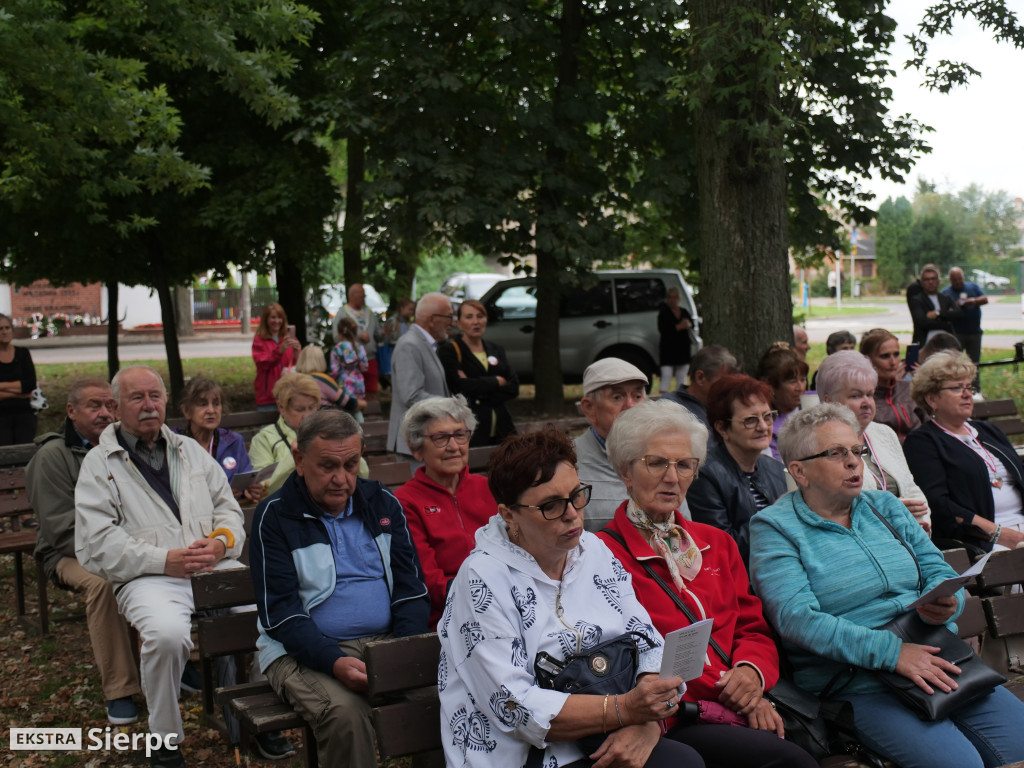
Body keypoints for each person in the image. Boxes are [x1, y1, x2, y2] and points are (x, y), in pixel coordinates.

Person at [749, 403, 1024, 768]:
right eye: (836, 453)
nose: (853, 462)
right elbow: (797, 619)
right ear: (799, 471)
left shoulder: (883, 506)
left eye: (856, 451)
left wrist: (948, 601)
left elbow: (936, 569)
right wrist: (892, 653)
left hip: (937, 661)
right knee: (959, 764)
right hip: (857, 683)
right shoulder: (775, 527)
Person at [439, 427, 704, 768]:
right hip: (525, 756)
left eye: (577, 495)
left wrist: (646, 720)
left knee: (686, 762)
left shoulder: (593, 549)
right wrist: (625, 711)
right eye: (551, 505)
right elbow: (514, 706)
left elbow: (646, 640)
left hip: (600, 735)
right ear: (509, 515)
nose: (572, 513)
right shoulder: (483, 578)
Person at [599, 400, 817, 768]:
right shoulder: (602, 554)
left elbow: (754, 626)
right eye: (656, 463)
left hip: (732, 702)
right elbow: (624, 656)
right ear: (625, 471)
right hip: (674, 715)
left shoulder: (716, 542)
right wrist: (738, 697)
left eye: (684, 464)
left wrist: (751, 673)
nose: (673, 477)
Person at [75, 366, 246, 768]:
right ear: (116, 407)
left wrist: (221, 542)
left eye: (155, 396)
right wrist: (161, 560)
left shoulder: (190, 451)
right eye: (138, 398)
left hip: (210, 566)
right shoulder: (99, 465)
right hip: (147, 577)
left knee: (264, 618)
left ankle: (252, 718)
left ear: (166, 402)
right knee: (167, 636)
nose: (149, 405)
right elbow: (95, 544)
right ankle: (165, 741)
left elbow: (230, 510)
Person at [250, 409, 429, 768]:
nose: (341, 479)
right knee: (345, 715)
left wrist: (401, 651)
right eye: (328, 466)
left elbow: (411, 589)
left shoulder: (381, 503)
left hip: (385, 640)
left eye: (350, 464)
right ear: (299, 460)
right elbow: (282, 613)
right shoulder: (276, 516)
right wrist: (333, 661)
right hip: (303, 651)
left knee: (445, 697)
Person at [27, 377, 142, 725]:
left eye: (110, 405)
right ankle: (120, 689)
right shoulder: (52, 457)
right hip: (67, 553)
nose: (106, 413)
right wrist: (120, 554)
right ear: (71, 411)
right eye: (95, 406)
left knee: (165, 568)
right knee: (105, 585)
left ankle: (178, 664)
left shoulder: (127, 446)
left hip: (125, 545)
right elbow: (60, 529)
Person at [904, 352, 1024, 553]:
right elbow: (940, 506)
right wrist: (1001, 534)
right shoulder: (924, 442)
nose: (967, 394)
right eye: (957, 388)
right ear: (932, 398)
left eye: (969, 387)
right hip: (985, 540)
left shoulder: (988, 431)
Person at [393, 395, 496, 626]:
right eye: (440, 438)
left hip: (505, 602)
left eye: (460, 435)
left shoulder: (489, 488)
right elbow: (427, 579)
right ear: (416, 449)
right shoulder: (405, 502)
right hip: (450, 616)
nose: (454, 447)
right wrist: (485, 597)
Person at [814, 351, 931, 532]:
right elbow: (832, 508)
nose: (867, 402)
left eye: (870, 394)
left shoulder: (883, 433)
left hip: (907, 538)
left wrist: (921, 524)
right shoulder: (820, 445)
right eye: (856, 396)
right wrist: (890, 512)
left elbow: (911, 488)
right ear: (829, 401)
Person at [686, 375, 786, 565]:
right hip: (741, 581)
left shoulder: (775, 468)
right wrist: (774, 515)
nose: (763, 426)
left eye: (768, 416)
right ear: (722, 428)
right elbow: (722, 548)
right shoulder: (704, 476)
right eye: (750, 420)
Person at [575, 358, 654, 532]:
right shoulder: (568, 462)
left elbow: (684, 527)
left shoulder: (663, 456)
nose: (630, 406)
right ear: (589, 408)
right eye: (617, 397)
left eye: (638, 396)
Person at [436, 298, 519, 447]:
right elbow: (459, 387)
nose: (476, 322)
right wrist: (496, 381)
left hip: (503, 429)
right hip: (472, 431)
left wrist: (479, 390)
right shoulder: (450, 351)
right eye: (469, 317)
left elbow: (514, 387)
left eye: (480, 316)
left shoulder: (496, 349)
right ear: (459, 323)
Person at [177, 377, 265, 505]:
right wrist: (221, 495)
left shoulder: (234, 441)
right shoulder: (175, 443)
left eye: (216, 404)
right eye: (203, 404)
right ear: (186, 411)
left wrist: (251, 490)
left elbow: (246, 481)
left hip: (231, 516)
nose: (211, 410)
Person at [387, 292, 454, 457]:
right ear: (432, 319)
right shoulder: (409, 345)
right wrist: (452, 406)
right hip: (414, 444)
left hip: (426, 440)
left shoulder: (423, 343)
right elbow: (411, 395)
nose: (452, 323)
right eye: (449, 317)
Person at [249, 373, 321, 495]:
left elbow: (361, 473)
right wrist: (297, 453)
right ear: (281, 408)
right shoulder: (264, 439)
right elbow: (264, 487)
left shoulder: (325, 432)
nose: (307, 415)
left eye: (312, 408)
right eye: (300, 409)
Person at [859, 328, 922, 442]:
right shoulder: (861, 397)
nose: (893, 362)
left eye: (896, 354)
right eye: (885, 356)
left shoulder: (910, 388)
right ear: (867, 360)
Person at [661, 345, 738, 430]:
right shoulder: (670, 408)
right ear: (700, 378)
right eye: (724, 382)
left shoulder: (726, 406)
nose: (729, 388)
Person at [755, 343, 807, 461]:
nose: (800, 387)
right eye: (792, 381)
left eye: (803, 380)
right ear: (769, 384)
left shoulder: (814, 405)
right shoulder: (765, 423)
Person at [943, 267, 987, 392]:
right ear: (950, 280)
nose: (958, 282)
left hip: (974, 332)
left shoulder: (972, 287)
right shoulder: (946, 292)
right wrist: (954, 307)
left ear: (963, 277)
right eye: (955, 280)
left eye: (960, 279)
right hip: (956, 333)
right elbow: (943, 312)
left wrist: (972, 301)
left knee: (974, 362)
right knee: (955, 363)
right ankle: (956, 388)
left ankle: (975, 389)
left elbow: (985, 299)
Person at [251, 303, 300, 412]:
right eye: (273, 317)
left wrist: (297, 353)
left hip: (288, 394)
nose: (276, 321)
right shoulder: (259, 340)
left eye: (279, 318)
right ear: (266, 319)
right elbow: (262, 363)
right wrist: (279, 352)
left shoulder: (288, 338)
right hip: (268, 397)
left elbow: (298, 365)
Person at [339, 283, 383, 398]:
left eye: (364, 296)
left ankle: (372, 415)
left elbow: (377, 335)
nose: (364, 298)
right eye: (361, 295)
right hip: (350, 363)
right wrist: (358, 336)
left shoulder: (369, 313)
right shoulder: (342, 313)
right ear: (352, 296)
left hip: (370, 359)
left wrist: (383, 333)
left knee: (372, 392)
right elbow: (337, 337)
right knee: (352, 395)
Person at [0, 312, 37, 444]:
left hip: (24, 414)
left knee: (25, 455)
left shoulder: (23, 353)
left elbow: (30, 385)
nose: (4, 332)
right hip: (1, 416)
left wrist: (2, 387)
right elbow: (25, 389)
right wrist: (20, 393)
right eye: (0, 329)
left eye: (7, 328)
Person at [294, 344, 364, 415]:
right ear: (320, 360)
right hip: (326, 420)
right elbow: (346, 402)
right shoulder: (322, 379)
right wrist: (363, 404)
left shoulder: (296, 380)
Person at [908, 264, 963, 346]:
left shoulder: (946, 298)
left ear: (938, 281)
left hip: (948, 343)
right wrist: (947, 322)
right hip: (925, 343)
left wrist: (938, 313)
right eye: (927, 279)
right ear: (922, 282)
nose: (930, 282)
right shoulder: (917, 300)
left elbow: (959, 314)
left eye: (933, 279)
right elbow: (921, 322)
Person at [329, 317, 369, 421]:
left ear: (340, 333)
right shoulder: (359, 348)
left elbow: (334, 371)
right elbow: (364, 367)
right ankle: (361, 429)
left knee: (343, 413)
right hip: (358, 385)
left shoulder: (337, 349)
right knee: (356, 410)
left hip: (343, 386)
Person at [657, 287, 693, 393]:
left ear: (679, 299)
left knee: (681, 377)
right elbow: (663, 329)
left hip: (683, 350)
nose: (673, 300)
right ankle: (662, 402)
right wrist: (679, 326)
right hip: (668, 350)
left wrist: (687, 324)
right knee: (666, 375)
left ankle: (680, 401)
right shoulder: (663, 313)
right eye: (670, 297)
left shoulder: (684, 311)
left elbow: (691, 324)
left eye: (675, 297)